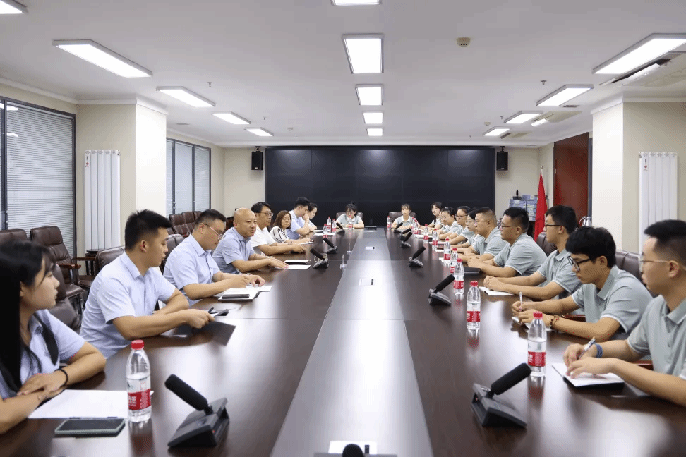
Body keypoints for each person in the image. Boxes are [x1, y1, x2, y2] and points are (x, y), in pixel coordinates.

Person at [564, 220, 685, 406]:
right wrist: (594, 350)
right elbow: (630, 348)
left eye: (645, 261)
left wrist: (614, 365)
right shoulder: (657, 306)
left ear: (672, 268)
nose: (641, 268)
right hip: (666, 411)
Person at [0, 240, 106, 434]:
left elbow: (95, 357)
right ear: (20, 287)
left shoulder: (41, 318)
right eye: (49, 276)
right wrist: (42, 393)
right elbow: (2, 417)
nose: (57, 283)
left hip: (41, 430)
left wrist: (59, 377)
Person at [81, 210, 215, 358]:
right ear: (144, 245)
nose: (166, 249)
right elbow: (130, 329)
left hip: (139, 350)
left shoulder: (150, 272)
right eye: (163, 243)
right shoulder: (112, 278)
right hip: (108, 360)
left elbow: (179, 299)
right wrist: (183, 317)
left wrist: (160, 315)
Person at [513, 226, 652, 341]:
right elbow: (563, 305)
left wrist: (550, 320)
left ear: (602, 261)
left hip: (629, 363)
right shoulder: (592, 283)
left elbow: (601, 331)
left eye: (578, 263)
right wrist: (529, 306)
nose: (574, 269)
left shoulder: (626, 288)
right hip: (598, 355)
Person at [163, 209, 263, 305]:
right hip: (188, 310)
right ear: (202, 228)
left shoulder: (204, 249)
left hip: (205, 304)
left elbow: (218, 276)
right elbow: (193, 291)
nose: (220, 238)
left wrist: (246, 278)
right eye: (218, 233)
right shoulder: (183, 253)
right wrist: (229, 283)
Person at [484, 205, 581, 300]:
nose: (543, 229)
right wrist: (497, 280)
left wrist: (503, 286)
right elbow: (531, 279)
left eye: (547, 225)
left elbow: (546, 292)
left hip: (559, 309)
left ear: (560, 229)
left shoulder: (573, 260)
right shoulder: (554, 255)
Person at [468, 207, 547, 277]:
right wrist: (478, 262)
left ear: (517, 230)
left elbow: (506, 273)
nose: (500, 229)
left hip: (534, 288)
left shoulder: (523, 245)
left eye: (503, 226)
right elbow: (494, 262)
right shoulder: (511, 243)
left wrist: (481, 265)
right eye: (500, 225)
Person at [213, 208, 289, 274]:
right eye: (248, 222)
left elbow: (252, 256)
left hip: (238, 277)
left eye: (255, 222)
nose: (253, 226)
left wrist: (269, 259)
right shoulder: (230, 239)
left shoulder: (246, 236)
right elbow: (242, 266)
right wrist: (267, 261)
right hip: (224, 281)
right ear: (236, 224)